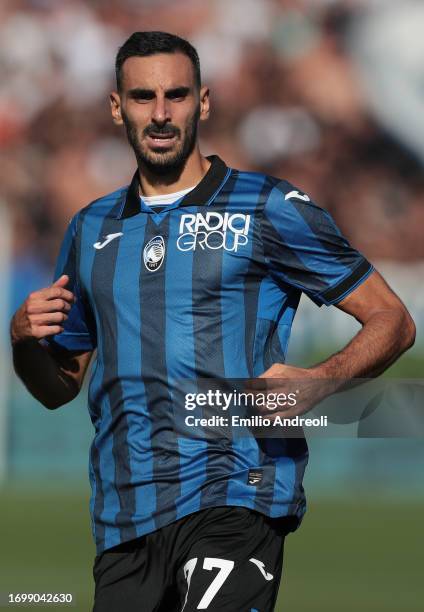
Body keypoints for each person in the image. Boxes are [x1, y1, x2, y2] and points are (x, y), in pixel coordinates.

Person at [10, 31, 415, 612]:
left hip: (236, 491)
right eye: (143, 96)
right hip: (125, 519)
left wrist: (322, 380)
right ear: (116, 106)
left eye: (176, 95)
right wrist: (23, 342)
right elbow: (59, 387)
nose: (160, 113)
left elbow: (392, 319)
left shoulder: (268, 207)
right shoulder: (89, 228)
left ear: (203, 101)